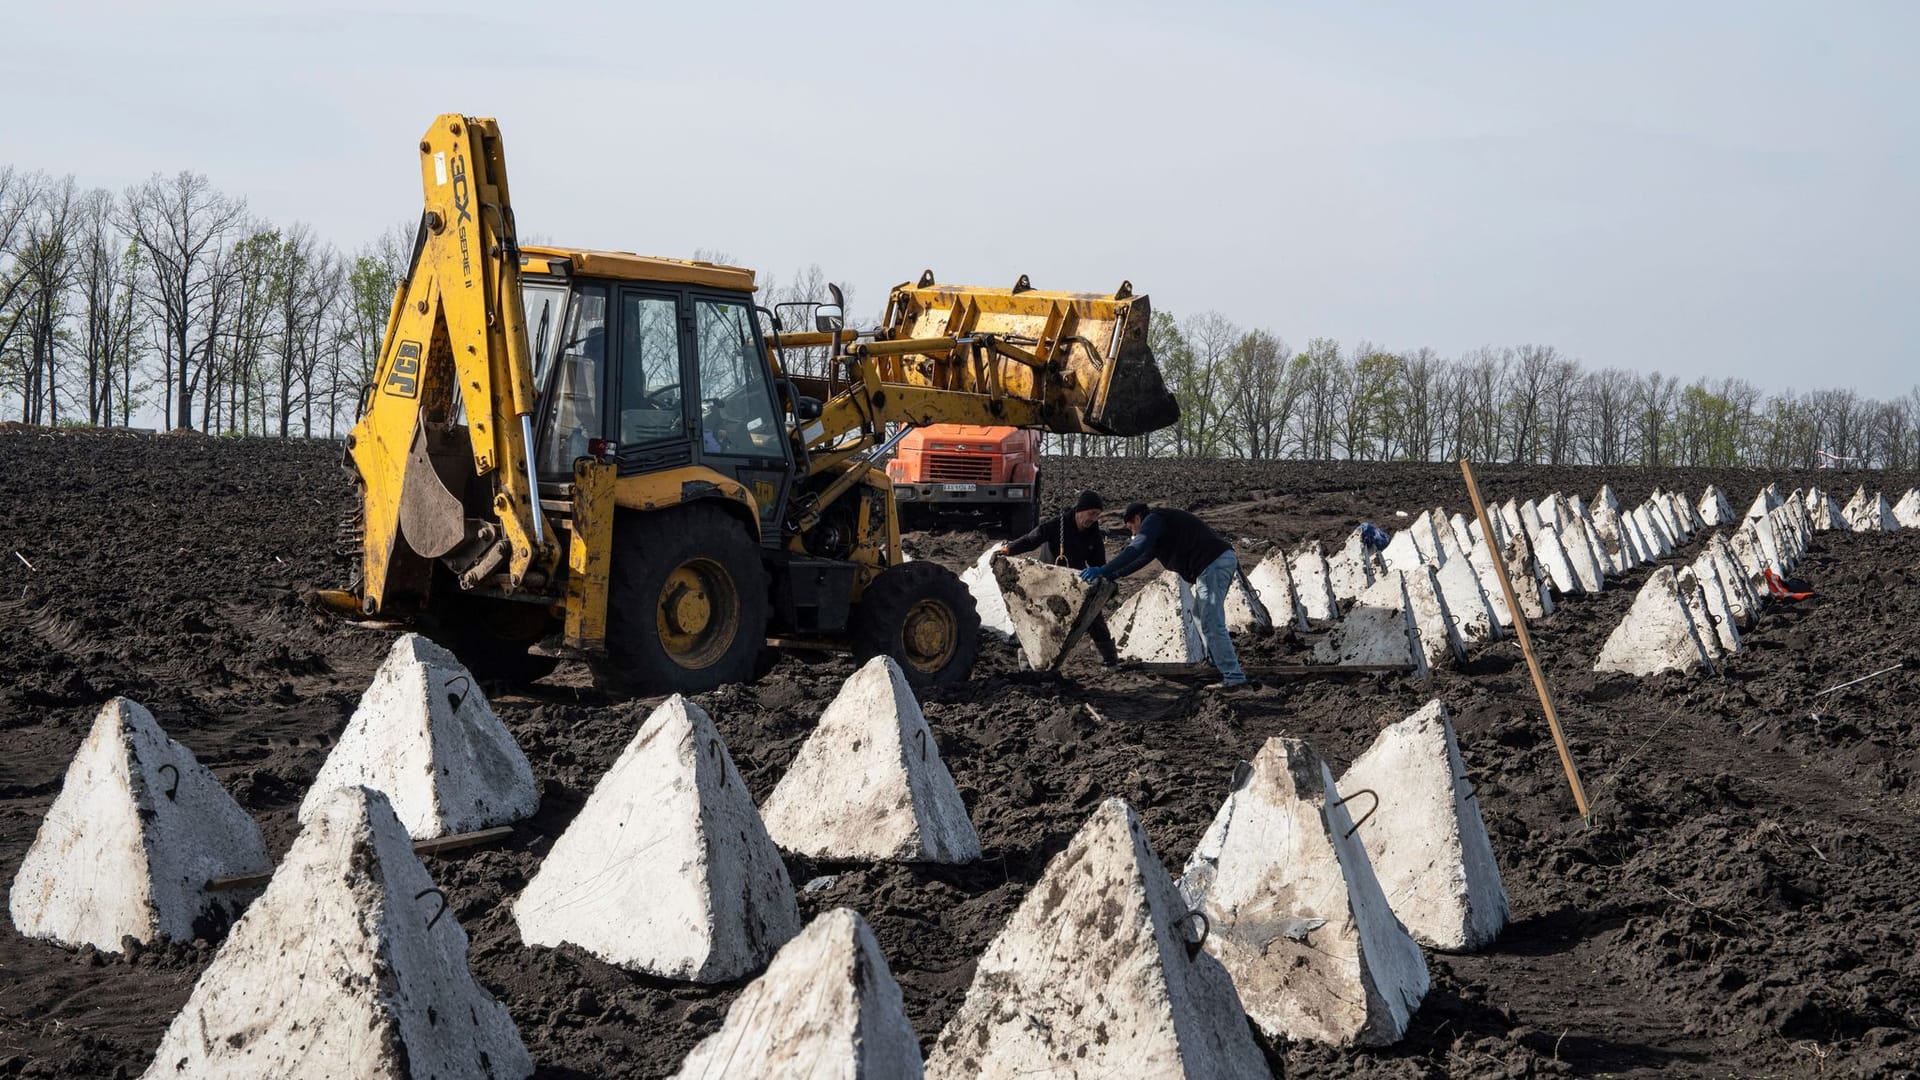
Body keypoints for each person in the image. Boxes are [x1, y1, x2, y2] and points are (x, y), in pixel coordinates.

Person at [1080, 502, 1246, 689]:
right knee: (1200, 616)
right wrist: (1111, 574)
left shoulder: (1154, 519)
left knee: (1210, 620)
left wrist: (1102, 570)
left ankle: (1233, 676)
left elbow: (1137, 547)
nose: (1133, 533)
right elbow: (1141, 558)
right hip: (1212, 565)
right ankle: (1215, 665)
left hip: (1213, 564)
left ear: (1136, 518)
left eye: (1131, 527)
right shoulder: (1159, 531)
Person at [999, 489, 1121, 667]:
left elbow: (1099, 562)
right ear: (1080, 510)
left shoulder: (1093, 533)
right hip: (1048, 579)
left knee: (1093, 615)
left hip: (1074, 582)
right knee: (1038, 619)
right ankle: (1028, 661)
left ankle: (1109, 660)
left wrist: (1103, 575)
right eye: (1091, 513)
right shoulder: (1058, 525)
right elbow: (1033, 538)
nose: (1094, 519)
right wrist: (1010, 549)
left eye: (1097, 515)